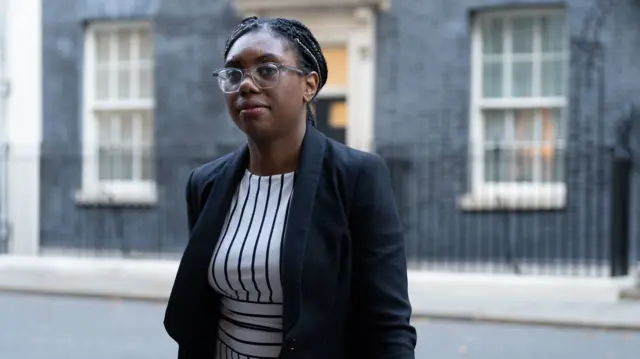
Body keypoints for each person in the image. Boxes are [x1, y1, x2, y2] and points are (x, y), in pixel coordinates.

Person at [163, 16, 417, 359]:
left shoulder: (357, 177)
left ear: (309, 85)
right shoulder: (206, 183)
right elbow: (202, 309)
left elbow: (388, 325)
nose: (246, 85)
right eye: (234, 73)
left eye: (267, 70)